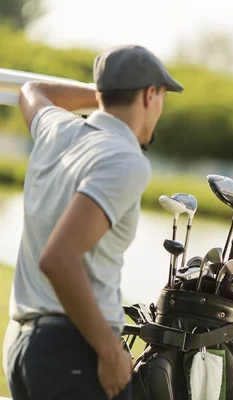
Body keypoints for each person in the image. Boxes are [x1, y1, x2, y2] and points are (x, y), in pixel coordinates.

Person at [4, 44, 183, 400]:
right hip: (73, 350)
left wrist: (105, 96)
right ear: (150, 94)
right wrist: (110, 351)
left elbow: (33, 91)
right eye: (161, 97)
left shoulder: (56, 128)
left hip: (23, 347)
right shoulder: (125, 159)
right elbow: (59, 259)